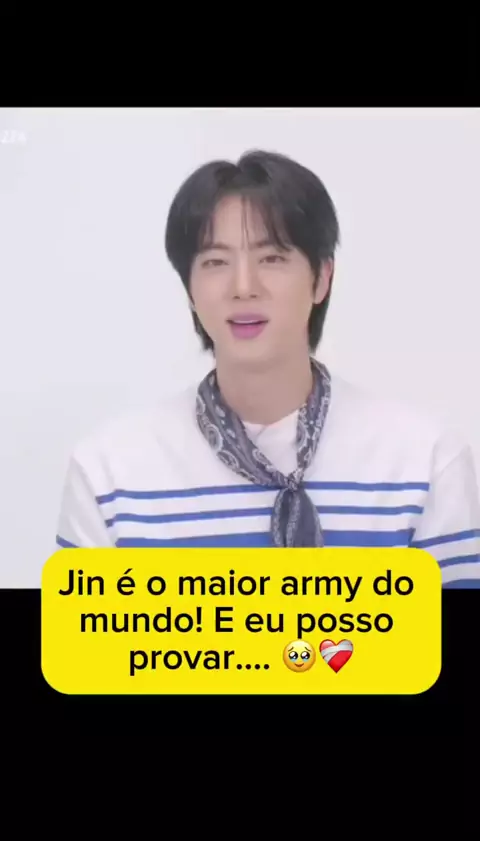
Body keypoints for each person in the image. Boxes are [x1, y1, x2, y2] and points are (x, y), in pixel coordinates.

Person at [56, 149, 480, 587]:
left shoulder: (423, 461)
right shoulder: (110, 475)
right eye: (215, 262)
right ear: (189, 289)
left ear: (321, 278)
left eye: (272, 258)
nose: (243, 287)